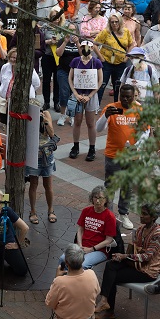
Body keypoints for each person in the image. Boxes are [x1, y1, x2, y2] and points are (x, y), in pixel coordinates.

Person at [94, 202, 160, 319]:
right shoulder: (140, 229)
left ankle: (109, 310)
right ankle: (104, 300)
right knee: (111, 264)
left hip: (147, 271)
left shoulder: (157, 233)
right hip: (136, 263)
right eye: (141, 213)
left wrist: (125, 257)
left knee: (112, 276)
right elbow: (135, 250)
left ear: (154, 217)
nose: (141, 216)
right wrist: (122, 256)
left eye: (144, 214)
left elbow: (147, 257)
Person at [96, 84, 140, 230]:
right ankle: (109, 214)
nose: (125, 99)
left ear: (134, 97)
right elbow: (98, 128)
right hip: (113, 155)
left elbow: (146, 132)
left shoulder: (139, 110)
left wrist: (138, 145)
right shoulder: (112, 107)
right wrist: (105, 115)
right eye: (123, 96)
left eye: (129, 97)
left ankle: (123, 213)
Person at [59, 185, 116, 269]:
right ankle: (63, 281)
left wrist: (91, 249)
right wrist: (79, 245)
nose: (97, 201)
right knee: (63, 259)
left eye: (101, 198)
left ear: (106, 200)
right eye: (95, 197)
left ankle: (75, 281)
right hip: (82, 246)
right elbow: (80, 230)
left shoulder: (109, 216)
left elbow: (109, 240)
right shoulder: (86, 211)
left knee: (82, 265)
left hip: (99, 250)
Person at [68, 41, 103, 160]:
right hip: (78, 95)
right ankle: (75, 146)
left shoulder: (96, 62)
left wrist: (90, 95)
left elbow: (99, 81)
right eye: (83, 47)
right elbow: (70, 78)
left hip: (91, 96)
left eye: (88, 47)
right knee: (77, 121)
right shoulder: (76, 61)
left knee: (90, 123)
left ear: (92, 49)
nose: (86, 49)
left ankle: (92, 148)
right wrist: (76, 94)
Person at [45, 243, 100, 319]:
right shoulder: (92, 274)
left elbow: (49, 303)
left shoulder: (60, 282)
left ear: (66, 262)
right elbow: (97, 291)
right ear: (83, 260)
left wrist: (57, 277)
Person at [94, 13, 135, 103]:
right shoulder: (106, 32)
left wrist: (127, 56)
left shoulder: (126, 31)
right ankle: (96, 105)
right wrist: (101, 58)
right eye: (112, 22)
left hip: (120, 63)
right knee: (102, 84)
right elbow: (95, 44)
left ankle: (118, 104)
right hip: (106, 62)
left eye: (116, 22)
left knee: (118, 85)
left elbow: (132, 44)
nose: (114, 24)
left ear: (120, 22)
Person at [26, 110, 57, 224]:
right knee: (33, 183)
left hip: (46, 154)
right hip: (34, 155)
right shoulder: (27, 116)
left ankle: (51, 209)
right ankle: (33, 211)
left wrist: (45, 121)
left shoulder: (46, 114)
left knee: (48, 184)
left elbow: (52, 134)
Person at [0, 47, 40, 126]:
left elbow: (36, 83)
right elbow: (2, 80)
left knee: (19, 123)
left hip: (21, 102)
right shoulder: (5, 67)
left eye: (16, 58)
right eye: (12, 57)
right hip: (7, 101)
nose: (14, 59)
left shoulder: (29, 69)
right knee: (7, 122)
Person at [55, 22, 81, 126]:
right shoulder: (62, 40)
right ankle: (62, 114)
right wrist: (65, 42)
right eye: (69, 30)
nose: (71, 32)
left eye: (73, 30)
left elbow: (83, 55)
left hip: (77, 72)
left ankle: (71, 115)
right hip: (63, 70)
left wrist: (78, 43)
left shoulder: (81, 41)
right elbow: (58, 53)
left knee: (74, 94)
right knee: (64, 93)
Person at [41, 7, 64, 112]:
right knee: (46, 80)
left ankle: (56, 102)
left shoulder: (63, 28)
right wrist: (49, 42)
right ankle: (46, 102)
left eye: (58, 17)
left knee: (57, 81)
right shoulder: (45, 27)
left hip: (59, 57)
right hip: (47, 56)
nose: (56, 20)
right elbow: (40, 41)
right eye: (54, 17)